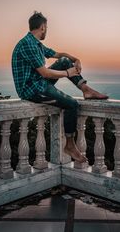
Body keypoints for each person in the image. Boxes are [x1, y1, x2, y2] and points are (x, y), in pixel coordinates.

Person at [12, 11, 108, 163]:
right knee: (72, 104)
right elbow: (44, 73)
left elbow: (58, 54)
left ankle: (85, 89)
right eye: (47, 27)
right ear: (43, 27)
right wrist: (67, 72)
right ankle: (69, 145)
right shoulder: (28, 44)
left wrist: (76, 59)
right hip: (33, 90)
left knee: (63, 60)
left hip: (39, 83)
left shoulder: (36, 44)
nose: (47, 30)